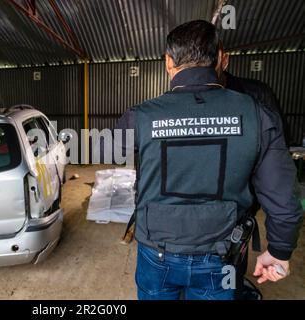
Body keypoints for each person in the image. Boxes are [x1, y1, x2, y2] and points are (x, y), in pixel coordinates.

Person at [114, 20, 302, 300]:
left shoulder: (141, 115)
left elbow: (109, 148)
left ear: (168, 62)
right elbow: (283, 196)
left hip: (157, 253)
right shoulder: (257, 115)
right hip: (222, 256)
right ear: (221, 59)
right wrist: (279, 250)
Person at [214, 46, 289, 300]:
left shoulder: (255, 96)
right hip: (192, 221)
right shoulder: (180, 101)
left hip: (238, 212)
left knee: (231, 266)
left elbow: (275, 167)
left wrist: (280, 247)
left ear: (224, 60)